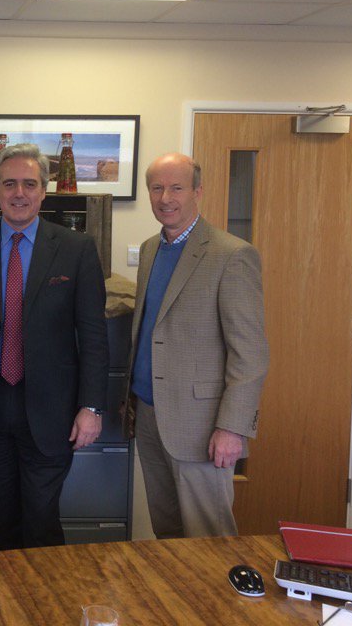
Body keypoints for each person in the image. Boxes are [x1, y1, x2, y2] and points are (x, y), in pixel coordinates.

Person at [0, 143, 109, 551]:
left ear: (44, 192)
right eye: (9, 183)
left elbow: (93, 336)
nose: (19, 193)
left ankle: (44, 592)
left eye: (30, 184)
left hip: (51, 411)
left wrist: (91, 407)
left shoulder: (76, 249)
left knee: (41, 524)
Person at [125, 152, 269, 538]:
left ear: (198, 192)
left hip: (201, 427)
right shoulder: (151, 250)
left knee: (209, 540)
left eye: (177, 188)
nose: (165, 198)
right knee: (168, 536)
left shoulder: (231, 255)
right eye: (157, 188)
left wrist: (232, 428)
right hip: (150, 417)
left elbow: (250, 355)